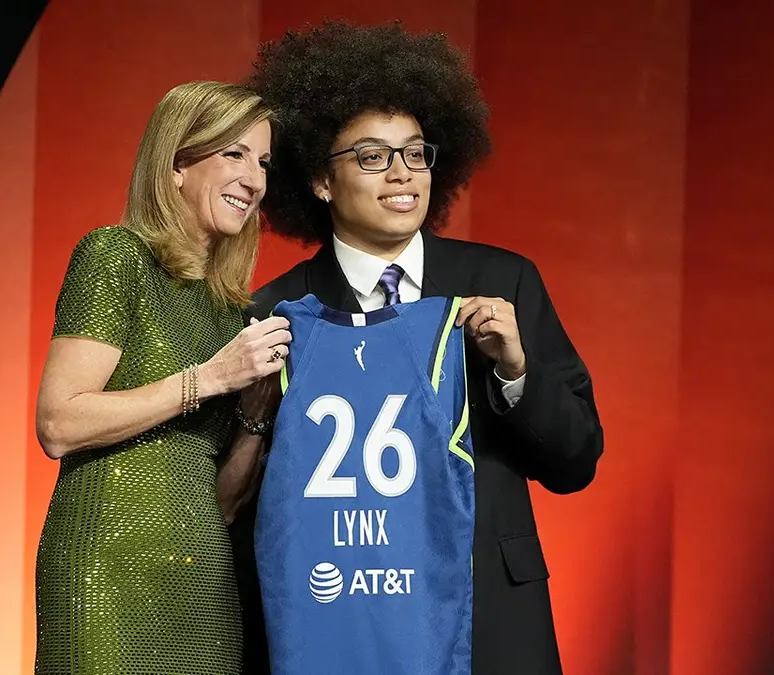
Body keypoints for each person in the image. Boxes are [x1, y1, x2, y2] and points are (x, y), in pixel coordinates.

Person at [233, 23, 605, 675]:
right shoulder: (272, 315)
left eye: (416, 153)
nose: (402, 174)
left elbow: (576, 460)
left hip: (487, 621)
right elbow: (247, 513)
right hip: (338, 626)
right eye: (373, 157)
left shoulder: (501, 282)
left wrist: (516, 373)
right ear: (321, 178)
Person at [33, 80, 291, 675]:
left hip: (203, 580)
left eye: (264, 162)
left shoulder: (232, 312)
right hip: (107, 575)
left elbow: (223, 502)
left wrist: (254, 414)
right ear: (177, 165)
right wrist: (207, 378)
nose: (254, 179)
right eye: (234, 153)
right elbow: (59, 422)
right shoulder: (115, 257)